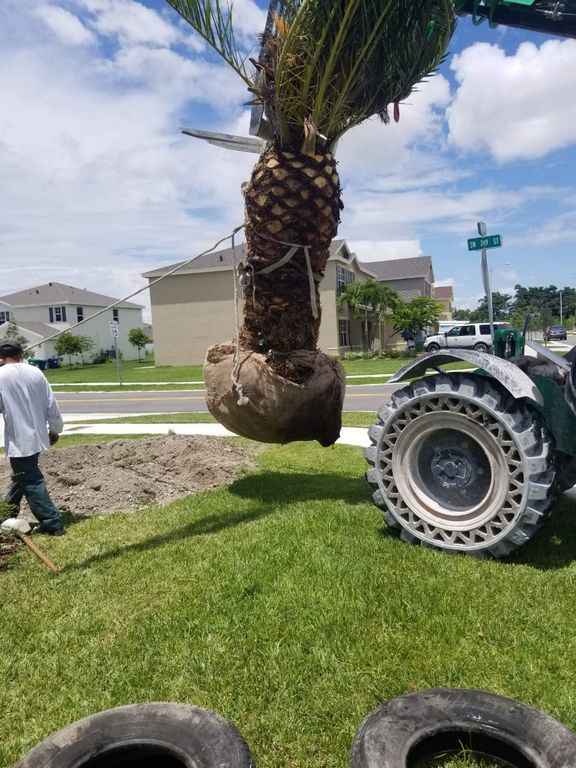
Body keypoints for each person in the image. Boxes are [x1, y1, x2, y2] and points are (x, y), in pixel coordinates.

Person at [0, 342, 65, 535]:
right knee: (22, 476)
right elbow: (51, 403)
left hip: (20, 439)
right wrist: (55, 429)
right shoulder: (36, 373)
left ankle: (52, 523)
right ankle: (5, 515)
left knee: (31, 480)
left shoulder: (1, 376)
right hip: (38, 435)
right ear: (21, 354)